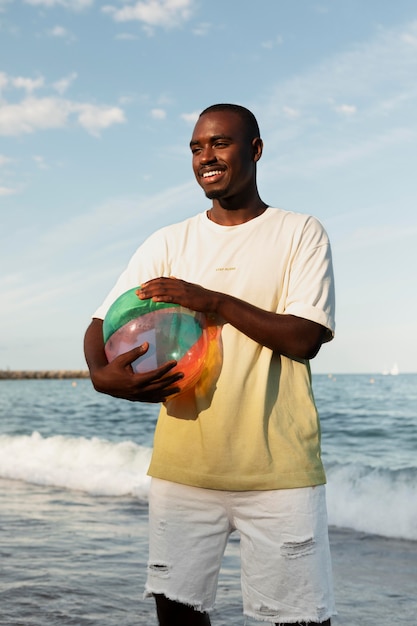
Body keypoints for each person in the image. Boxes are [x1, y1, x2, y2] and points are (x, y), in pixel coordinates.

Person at [84, 103, 336, 626]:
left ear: (256, 150)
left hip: (279, 472)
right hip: (183, 472)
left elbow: (305, 337)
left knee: (298, 621)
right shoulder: (168, 241)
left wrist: (213, 301)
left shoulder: (300, 232)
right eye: (197, 148)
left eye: (220, 143)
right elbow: (101, 320)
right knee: (178, 617)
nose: (206, 157)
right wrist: (100, 373)